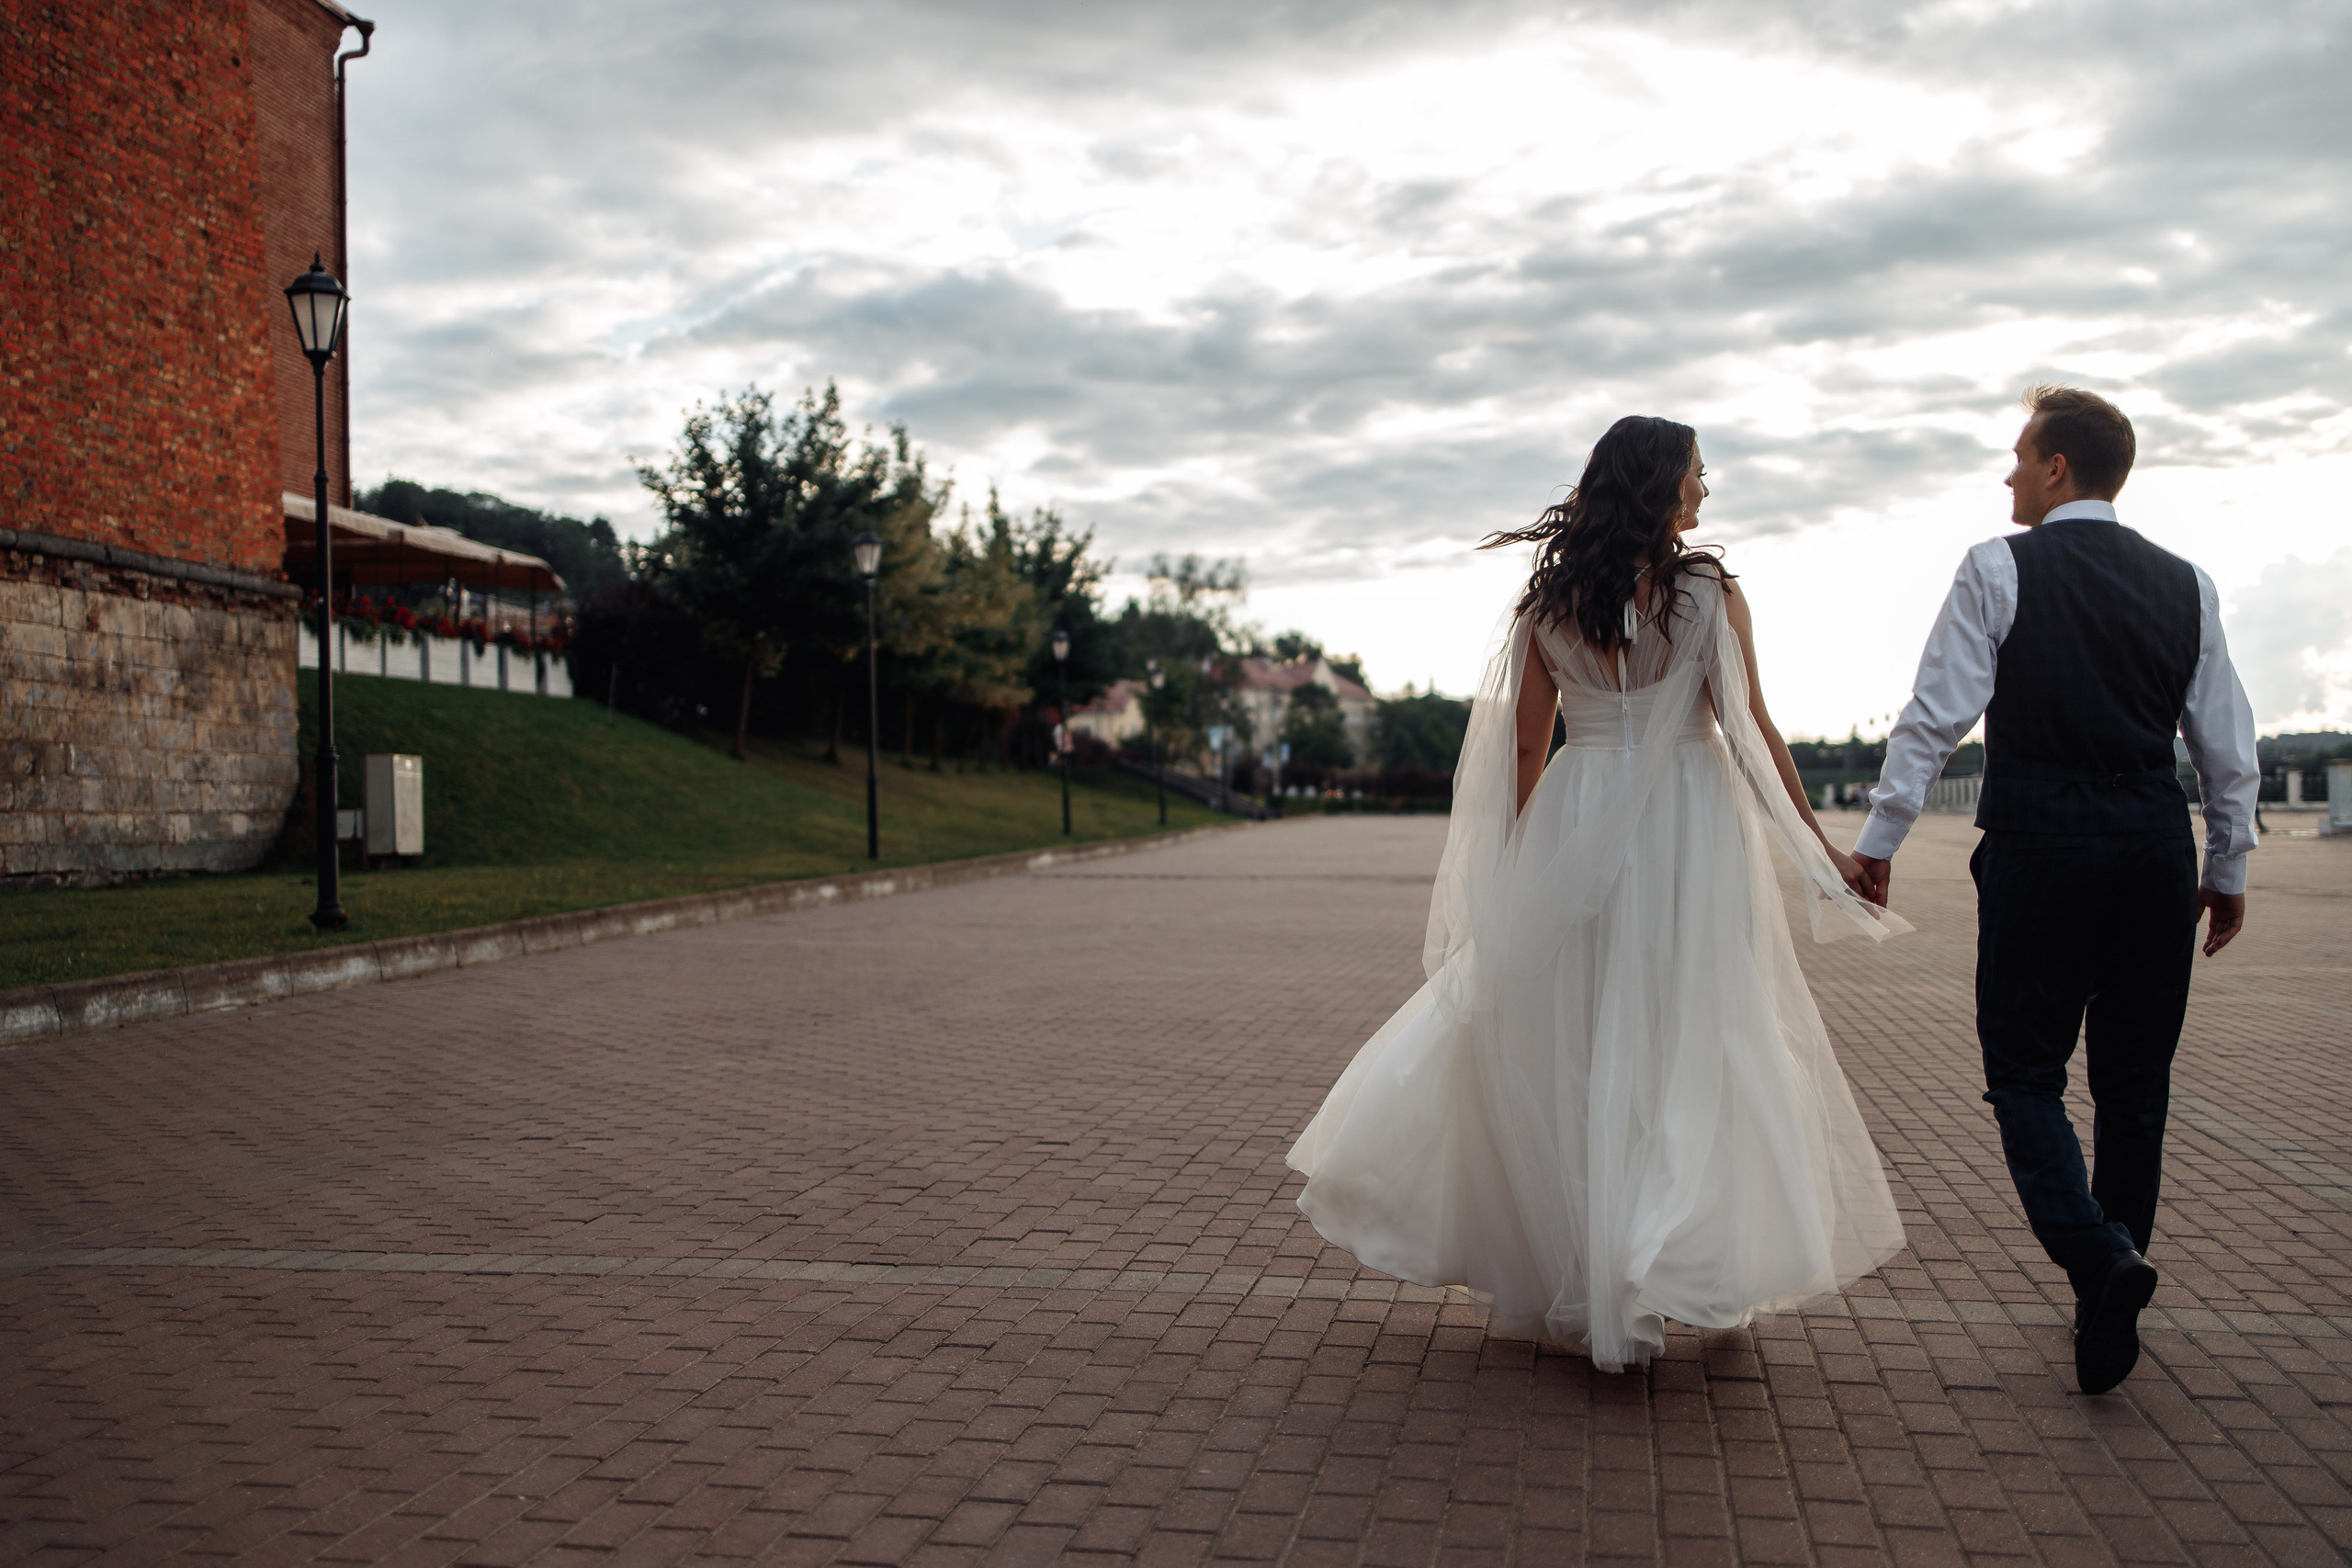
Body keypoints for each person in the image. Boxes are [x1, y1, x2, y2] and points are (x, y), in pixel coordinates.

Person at [1288, 416, 1912, 1372]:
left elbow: (1527, 751)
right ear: (1662, 487)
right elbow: (1750, 731)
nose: (1706, 492)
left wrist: (1515, 869)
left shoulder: (1549, 601)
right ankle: (1666, 1258)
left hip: (1577, 820)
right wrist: (1818, 852)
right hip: (1686, 824)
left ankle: (1594, 1260)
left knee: (1578, 1040)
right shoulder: (1706, 591)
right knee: (1690, 1036)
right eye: (1698, 476)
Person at [1851, 386, 2258, 1395]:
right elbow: (2226, 747)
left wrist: (1879, 838)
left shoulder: (1998, 566)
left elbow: (1933, 717)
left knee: (2025, 1076)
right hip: (2152, 851)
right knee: (2134, 1087)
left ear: (2057, 468)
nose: (2007, 475)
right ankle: (2101, 1303)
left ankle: (2097, 1260)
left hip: (2041, 849)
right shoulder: (2188, 585)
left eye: (2018, 456)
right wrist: (2228, 868)